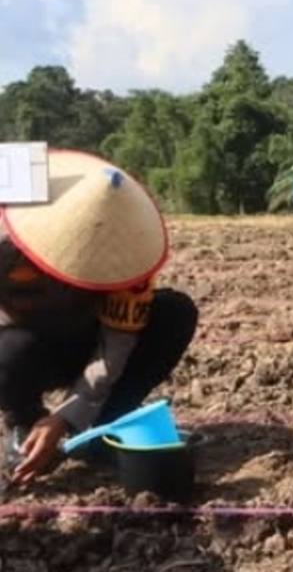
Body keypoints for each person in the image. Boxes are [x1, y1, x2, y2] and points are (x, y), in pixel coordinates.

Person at [0, 150, 197, 486]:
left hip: (88, 339)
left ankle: (107, 423)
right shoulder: (6, 250)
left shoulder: (127, 266)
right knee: (9, 352)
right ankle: (26, 423)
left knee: (174, 313)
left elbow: (114, 349)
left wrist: (66, 419)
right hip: (25, 348)